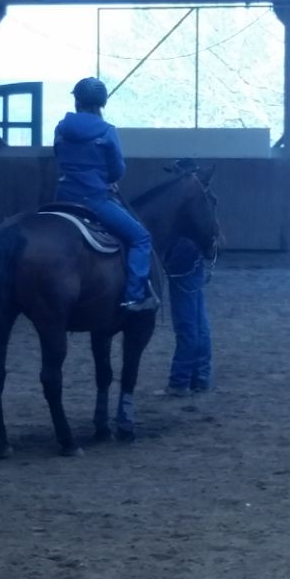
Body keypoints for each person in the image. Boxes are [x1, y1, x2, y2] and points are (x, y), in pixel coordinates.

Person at [53, 76, 158, 312]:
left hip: (62, 197)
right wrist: (105, 179)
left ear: (77, 101)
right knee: (141, 238)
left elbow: (59, 155)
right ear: (102, 103)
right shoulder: (107, 131)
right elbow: (117, 170)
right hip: (94, 200)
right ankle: (134, 297)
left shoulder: (61, 127)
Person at [157, 161, 213, 397]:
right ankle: (200, 377)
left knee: (186, 324)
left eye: (177, 173)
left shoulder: (185, 202)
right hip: (193, 259)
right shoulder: (203, 200)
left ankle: (179, 382)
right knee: (199, 322)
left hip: (183, 258)